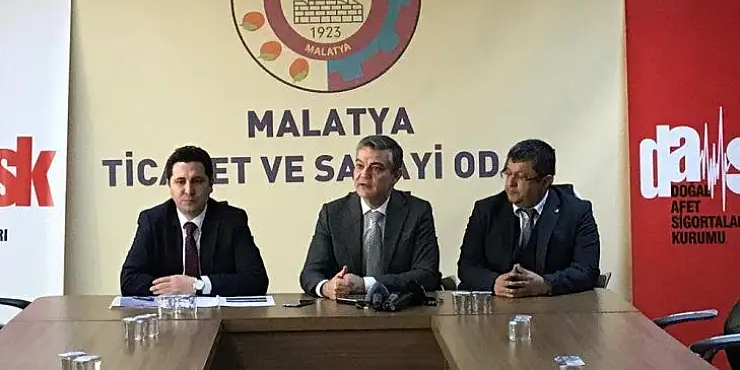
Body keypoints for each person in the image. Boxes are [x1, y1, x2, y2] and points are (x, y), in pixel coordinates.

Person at [299, 135, 441, 299]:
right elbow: (310, 273)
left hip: (399, 308)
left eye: (376, 169)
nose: (364, 174)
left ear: (396, 176)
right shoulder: (333, 213)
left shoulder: (417, 211)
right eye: (359, 166)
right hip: (345, 310)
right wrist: (326, 287)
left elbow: (427, 275)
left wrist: (365, 284)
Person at [457, 139, 600, 297]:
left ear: (545, 182)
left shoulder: (577, 212)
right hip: (499, 304)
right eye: (508, 173)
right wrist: (494, 283)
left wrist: (546, 284)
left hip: (554, 306)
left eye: (521, 176)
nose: (510, 183)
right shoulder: (486, 210)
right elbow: (467, 267)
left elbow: (587, 270)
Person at [120, 145, 269, 297]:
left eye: (197, 181)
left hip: (217, 311)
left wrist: (198, 285)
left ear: (210, 185)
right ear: (169, 186)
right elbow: (129, 280)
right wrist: (173, 288)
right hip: (169, 311)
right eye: (180, 182)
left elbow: (256, 280)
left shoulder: (232, 220)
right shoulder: (152, 221)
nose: (189, 190)